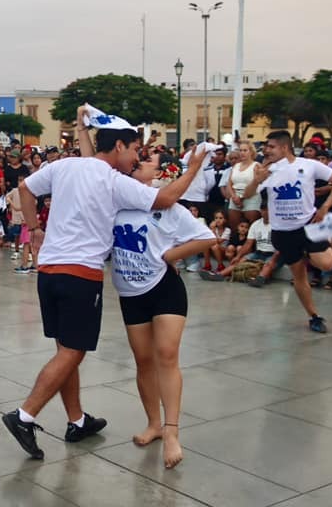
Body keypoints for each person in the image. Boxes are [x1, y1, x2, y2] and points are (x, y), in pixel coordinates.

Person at [1, 106, 206, 461]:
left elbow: (23, 189)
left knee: (65, 349)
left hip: (49, 270)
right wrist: (194, 168)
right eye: (134, 150)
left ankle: (76, 420)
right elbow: (167, 198)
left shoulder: (65, 166)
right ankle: (24, 416)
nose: (135, 157)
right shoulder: (114, 182)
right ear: (120, 146)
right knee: (72, 351)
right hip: (80, 273)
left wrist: (35, 229)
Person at [105, 154, 215, 469]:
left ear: (158, 173)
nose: (140, 164)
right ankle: (153, 423)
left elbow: (207, 238)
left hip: (165, 290)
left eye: (147, 162)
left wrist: (171, 255)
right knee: (143, 360)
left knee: (167, 356)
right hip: (130, 292)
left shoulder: (169, 207)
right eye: (136, 161)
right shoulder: (115, 205)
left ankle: (171, 432)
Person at [243, 131, 332, 333]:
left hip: (309, 224)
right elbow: (246, 195)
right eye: (266, 146)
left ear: (284, 147)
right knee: (299, 276)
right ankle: (314, 316)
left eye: (271, 146)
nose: (266, 150)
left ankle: (310, 250)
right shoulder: (266, 170)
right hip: (283, 232)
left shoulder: (308, 164)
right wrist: (256, 180)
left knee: (327, 263)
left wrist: (325, 207)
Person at [224, 141, 261, 231]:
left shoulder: (256, 165)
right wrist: (234, 196)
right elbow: (229, 183)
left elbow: (257, 183)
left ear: (251, 152)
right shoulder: (236, 166)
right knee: (234, 227)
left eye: (245, 150)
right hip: (235, 196)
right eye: (240, 150)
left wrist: (241, 198)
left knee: (252, 227)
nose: (242, 153)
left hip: (251, 197)